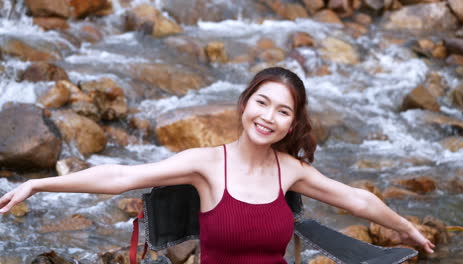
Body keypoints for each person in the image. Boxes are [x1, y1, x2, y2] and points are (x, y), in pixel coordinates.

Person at [0, 67, 435, 263]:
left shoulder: (291, 171)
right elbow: (120, 176)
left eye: (283, 111)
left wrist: (406, 228)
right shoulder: (206, 165)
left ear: (292, 123)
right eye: (262, 102)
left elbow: (357, 199)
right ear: (245, 104)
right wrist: (39, 185)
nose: (268, 117)